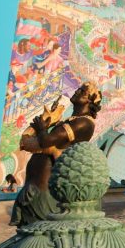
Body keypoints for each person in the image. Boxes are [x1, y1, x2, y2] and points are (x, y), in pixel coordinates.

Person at [11, 82, 102, 226]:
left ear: (90, 100)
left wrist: (42, 128)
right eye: (78, 88)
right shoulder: (69, 121)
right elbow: (30, 144)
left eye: (83, 91)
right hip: (35, 185)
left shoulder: (84, 123)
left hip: (47, 188)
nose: (77, 91)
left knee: (41, 235)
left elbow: (46, 141)